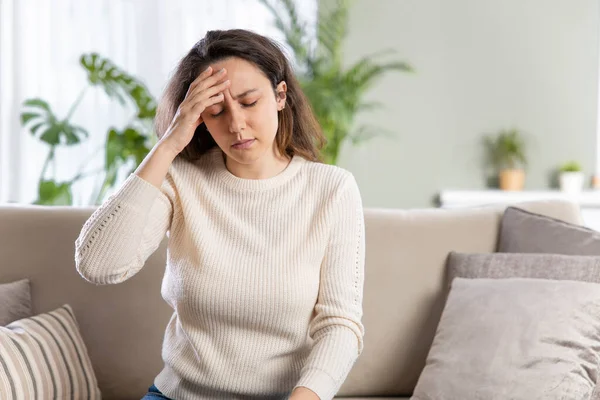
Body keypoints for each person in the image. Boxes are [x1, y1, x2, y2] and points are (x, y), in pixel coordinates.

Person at [75, 29, 365, 400]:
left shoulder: (332, 189)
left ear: (280, 96)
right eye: (215, 111)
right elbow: (98, 265)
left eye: (248, 102)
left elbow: (340, 325)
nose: (236, 125)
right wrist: (168, 146)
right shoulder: (181, 180)